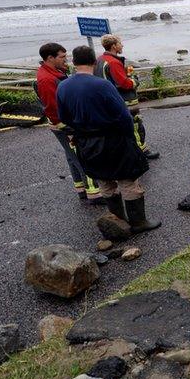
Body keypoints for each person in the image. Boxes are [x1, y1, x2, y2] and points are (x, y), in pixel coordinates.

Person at [57, 46, 160, 234]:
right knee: (128, 181)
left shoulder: (63, 86)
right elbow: (123, 116)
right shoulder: (102, 85)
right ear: (94, 62)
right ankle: (138, 222)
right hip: (113, 139)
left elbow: (63, 116)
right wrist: (130, 139)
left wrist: (80, 132)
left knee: (105, 182)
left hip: (86, 142)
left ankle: (118, 221)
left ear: (74, 63)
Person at [34, 42, 103, 204]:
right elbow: (52, 107)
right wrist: (69, 128)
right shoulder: (46, 79)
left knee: (71, 156)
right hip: (64, 125)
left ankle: (81, 189)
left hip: (64, 123)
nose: (66, 60)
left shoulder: (54, 72)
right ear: (50, 58)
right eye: (62, 57)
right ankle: (95, 193)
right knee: (81, 156)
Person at [93, 34, 159, 159]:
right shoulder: (113, 62)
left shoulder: (100, 60)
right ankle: (142, 151)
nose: (122, 45)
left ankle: (123, 152)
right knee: (135, 125)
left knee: (117, 128)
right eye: (120, 43)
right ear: (113, 46)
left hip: (108, 101)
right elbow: (124, 83)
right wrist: (134, 80)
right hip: (123, 101)